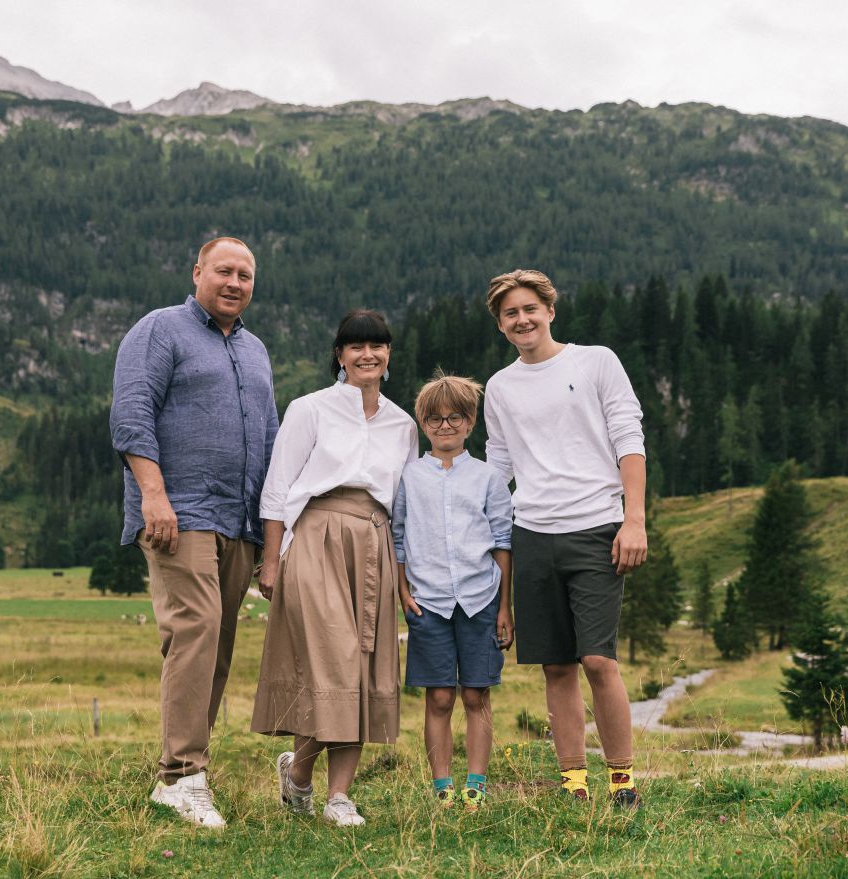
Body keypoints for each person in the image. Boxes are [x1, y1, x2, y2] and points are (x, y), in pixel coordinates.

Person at [109, 237, 277, 829]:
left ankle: (188, 772)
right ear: (198, 272)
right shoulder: (161, 329)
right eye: (224, 271)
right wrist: (155, 496)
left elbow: (270, 440)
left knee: (219, 640)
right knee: (196, 627)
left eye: (246, 275)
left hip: (241, 520)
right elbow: (131, 414)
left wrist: (270, 534)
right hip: (178, 513)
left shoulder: (256, 350)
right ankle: (180, 776)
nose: (235, 283)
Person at [483, 269, 648, 808]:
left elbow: (629, 436)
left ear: (550, 311)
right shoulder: (502, 387)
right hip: (532, 532)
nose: (522, 319)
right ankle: (574, 781)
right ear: (501, 325)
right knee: (555, 664)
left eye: (530, 308)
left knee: (598, 660)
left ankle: (622, 779)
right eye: (511, 313)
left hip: (597, 526)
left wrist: (634, 518)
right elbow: (498, 467)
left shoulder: (595, 361)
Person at [252, 309, 417, 827]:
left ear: (388, 354)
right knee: (335, 662)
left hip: (375, 542)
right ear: (339, 355)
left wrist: (404, 571)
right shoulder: (310, 409)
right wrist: (271, 561)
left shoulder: (402, 424)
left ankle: (327, 791)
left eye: (378, 345)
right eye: (356, 346)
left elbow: (405, 504)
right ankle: (307, 778)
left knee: (364, 668)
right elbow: (278, 487)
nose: (368, 354)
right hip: (316, 538)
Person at [392, 373, 514, 811]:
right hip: (428, 601)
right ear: (423, 423)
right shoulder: (410, 477)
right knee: (440, 695)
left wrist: (505, 607)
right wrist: (403, 592)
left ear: (470, 422)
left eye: (455, 418)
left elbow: (502, 541)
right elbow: (399, 536)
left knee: (475, 694)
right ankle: (442, 785)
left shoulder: (488, 478)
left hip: (480, 599)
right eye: (436, 419)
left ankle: (476, 785)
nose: (445, 426)